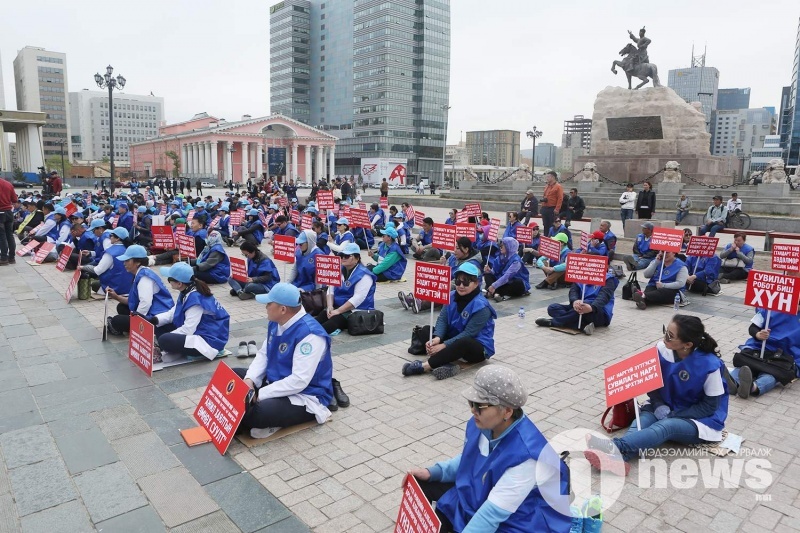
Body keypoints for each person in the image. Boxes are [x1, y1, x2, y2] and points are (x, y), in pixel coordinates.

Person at [408, 365, 572, 532]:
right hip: (486, 498)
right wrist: (433, 472)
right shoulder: (484, 423)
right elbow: (469, 458)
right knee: (422, 484)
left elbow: (491, 515)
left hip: (520, 520)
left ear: (507, 411)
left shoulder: (527, 457)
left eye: (480, 405)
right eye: (471, 402)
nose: (473, 410)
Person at [585, 315, 728, 476]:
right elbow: (651, 382)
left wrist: (675, 415)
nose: (664, 337)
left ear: (687, 344)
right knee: (642, 423)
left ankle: (613, 447)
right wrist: (659, 404)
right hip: (665, 404)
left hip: (698, 417)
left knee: (666, 426)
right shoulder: (661, 349)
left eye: (670, 336)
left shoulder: (709, 364)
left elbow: (710, 406)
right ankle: (619, 459)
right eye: (666, 331)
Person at [232, 283, 333, 437]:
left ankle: (268, 420)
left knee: (257, 412)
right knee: (233, 376)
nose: (265, 307)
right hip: (276, 381)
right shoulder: (276, 322)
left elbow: (299, 381)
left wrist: (261, 394)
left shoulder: (310, 335)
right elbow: (264, 354)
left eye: (269, 303)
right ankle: (254, 412)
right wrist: (250, 380)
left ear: (283, 309)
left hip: (305, 394)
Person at [402, 263, 497, 379]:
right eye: (458, 281)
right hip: (455, 335)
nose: (461, 285)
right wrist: (437, 338)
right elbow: (442, 319)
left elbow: (468, 333)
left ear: (476, 283)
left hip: (475, 346)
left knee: (463, 342)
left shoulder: (482, 307)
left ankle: (425, 366)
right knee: (427, 330)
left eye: (466, 282)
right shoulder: (451, 295)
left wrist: (443, 345)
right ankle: (447, 361)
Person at [152, 262, 230, 361]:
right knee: (159, 325)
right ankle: (169, 349)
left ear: (179, 283)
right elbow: (173, 312)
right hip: (200, 331)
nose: (168, 281)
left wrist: (167, 337)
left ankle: (165, 349)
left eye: (169, 279)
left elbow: (188, 329)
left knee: (164, 340)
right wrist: (153, 320)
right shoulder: (187, 290)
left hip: (209, 341)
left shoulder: (195, 298)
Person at [728, 299, 800, 399]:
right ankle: (733, 383)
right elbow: (753, 328)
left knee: (772, 374)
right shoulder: (770, 306)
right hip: (760, 347)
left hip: (786, 356)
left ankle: (752, 387)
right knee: (746, 367)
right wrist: (758, 334)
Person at [105, 245, 174, 337]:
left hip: (157, 317)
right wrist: (116, 296)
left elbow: (145, 303)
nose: (124, 263)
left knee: (117, 320)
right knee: (121, 307)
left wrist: (137, 321)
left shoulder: (144, 278)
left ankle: (141, 329)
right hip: (151, 311)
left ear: (137, 262)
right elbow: (134, 300)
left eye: (127, 260)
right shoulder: (140, 273)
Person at [536, 266, 619, 335]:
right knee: (553, 308)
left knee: (580, 309)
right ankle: (582, 326)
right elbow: (573, 291)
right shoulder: (581, 276)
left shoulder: (608, 279)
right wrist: (575, 300)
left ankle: (552, 322)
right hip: (578, 307)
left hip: (598, 312)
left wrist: (591, 307)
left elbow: (604, 297)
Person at [317, 242, 376, 334]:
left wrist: (338, 311)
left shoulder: (365, 275)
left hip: (355, 310)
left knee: (332, 323)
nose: (343, 258)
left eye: (347, 256)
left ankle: (312, 336)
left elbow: (357, 298)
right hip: (339, 306)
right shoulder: (339, 269)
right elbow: (330, 289)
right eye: (341, 255)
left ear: (357, 258)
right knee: (320, 317)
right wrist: (330, 306)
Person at [484, 237, 530, 302]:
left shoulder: (516, 261)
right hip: (502, 282)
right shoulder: (500, 257)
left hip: (511, 283)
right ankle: (496, 294)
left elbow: (507, 276)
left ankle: (494, 292)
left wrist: (493, 286)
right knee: (487, 275)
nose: (500, 247)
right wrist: (489, 271)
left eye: (502, 245)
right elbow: (495, 272)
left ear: (509, 247)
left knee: (518, 283)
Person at [0, 176, 18, 265]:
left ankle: (3, 258)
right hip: (8, 212)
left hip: (0, 212)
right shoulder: (8, 184)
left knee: (2, 236)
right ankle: (11, 257)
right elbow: (14, 199)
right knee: (9, 235)